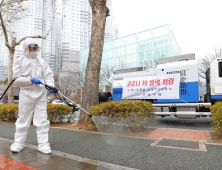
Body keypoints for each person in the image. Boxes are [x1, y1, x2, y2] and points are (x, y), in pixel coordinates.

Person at [10, 38, 55, 154]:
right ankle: (19, 142)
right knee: (23, 119)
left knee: (42, 120)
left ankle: (43, 144)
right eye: (33, 48)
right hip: (26, 94)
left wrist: (51, 86)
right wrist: (30, 79)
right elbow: (16, 80)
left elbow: (49, 75)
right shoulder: (20, 61)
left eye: (36, 48)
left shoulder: (41, 61)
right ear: (27, 48)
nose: (35, 50)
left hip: (40, 94)